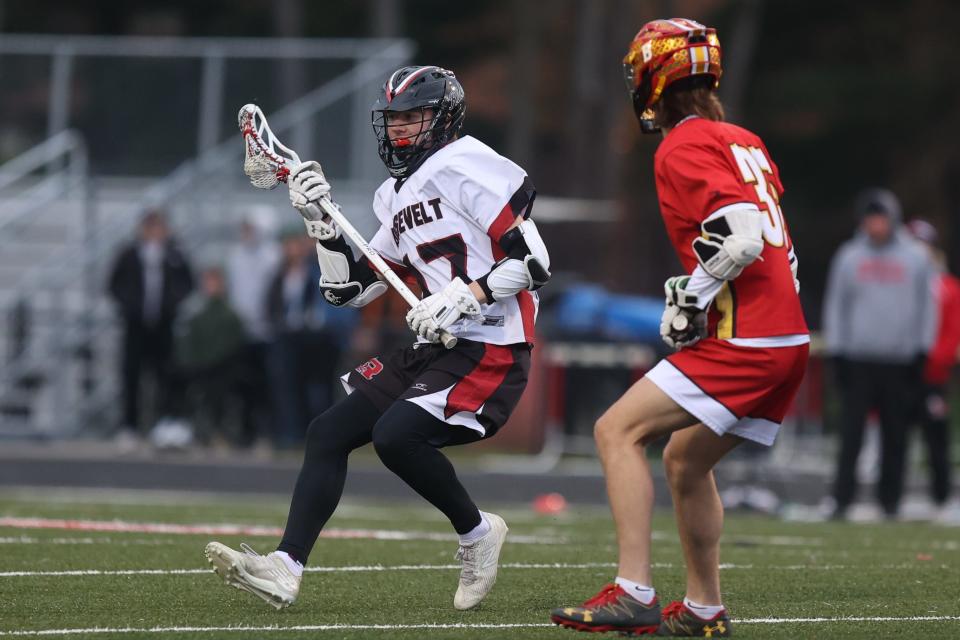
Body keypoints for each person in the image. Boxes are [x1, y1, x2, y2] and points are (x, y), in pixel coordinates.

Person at [205, 65, 550, 611]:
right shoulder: (393, 194)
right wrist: (318, 222)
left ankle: (478, 534)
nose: (399, 131)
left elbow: (533, 261)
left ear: (444, 118)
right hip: (437, 346)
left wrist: (463, 297)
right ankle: (285, 567)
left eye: (412, 118)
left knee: (395, 436)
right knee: (328, 432)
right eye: (393, 120)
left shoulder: (468, 163)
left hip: (491, 344)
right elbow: (351, 291)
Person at [550, 19, 808, 637]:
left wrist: (693, 298)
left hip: (747, 338)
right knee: (686, 460)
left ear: (652, 79)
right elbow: (781, 253)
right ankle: (703, 609)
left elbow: (742, 236)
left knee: (616, 429)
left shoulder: (682, 144)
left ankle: (633, 591)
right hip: (785, 336)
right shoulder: (741, 137)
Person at [823, 190, 936, 521]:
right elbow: (836, 307)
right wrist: (837, 351)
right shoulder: (849, 257)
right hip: (858, 359)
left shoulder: (916, 258)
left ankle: (891, 502)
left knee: (896, 436)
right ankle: (842, 499)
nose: (875, 225)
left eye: (881, 218)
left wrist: (922, 350)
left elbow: (927, 308)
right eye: (870, 218)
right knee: (851, 435)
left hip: (899, 361)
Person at [107, 210, 194, 449]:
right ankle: (129, 427)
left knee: (164, 376)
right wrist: (130, 306)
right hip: (135, 327)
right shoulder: (129, 254)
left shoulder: (174, 255)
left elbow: (188, 283)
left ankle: (164, 423)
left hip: (163, 327)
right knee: (132, 377)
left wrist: (171, 304)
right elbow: (114, 284)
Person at [905, 219, 958, 520]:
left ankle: (942, 497)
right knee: (895, 437)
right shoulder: (900, 283)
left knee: (936, 439)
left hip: (932, 375)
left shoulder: (948, 287)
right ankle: (891, 498)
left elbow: (951, 332)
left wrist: (931, 360)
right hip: (902, 372)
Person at [173, 265, 252, 446]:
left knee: (221, 390)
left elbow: (233, 346)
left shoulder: (230, 316)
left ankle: (220, 431)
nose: (211, 286)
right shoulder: (198, 316)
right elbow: (190, 347)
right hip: (203, 369)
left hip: (223, 370)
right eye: (208, 282)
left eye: (215, 282)